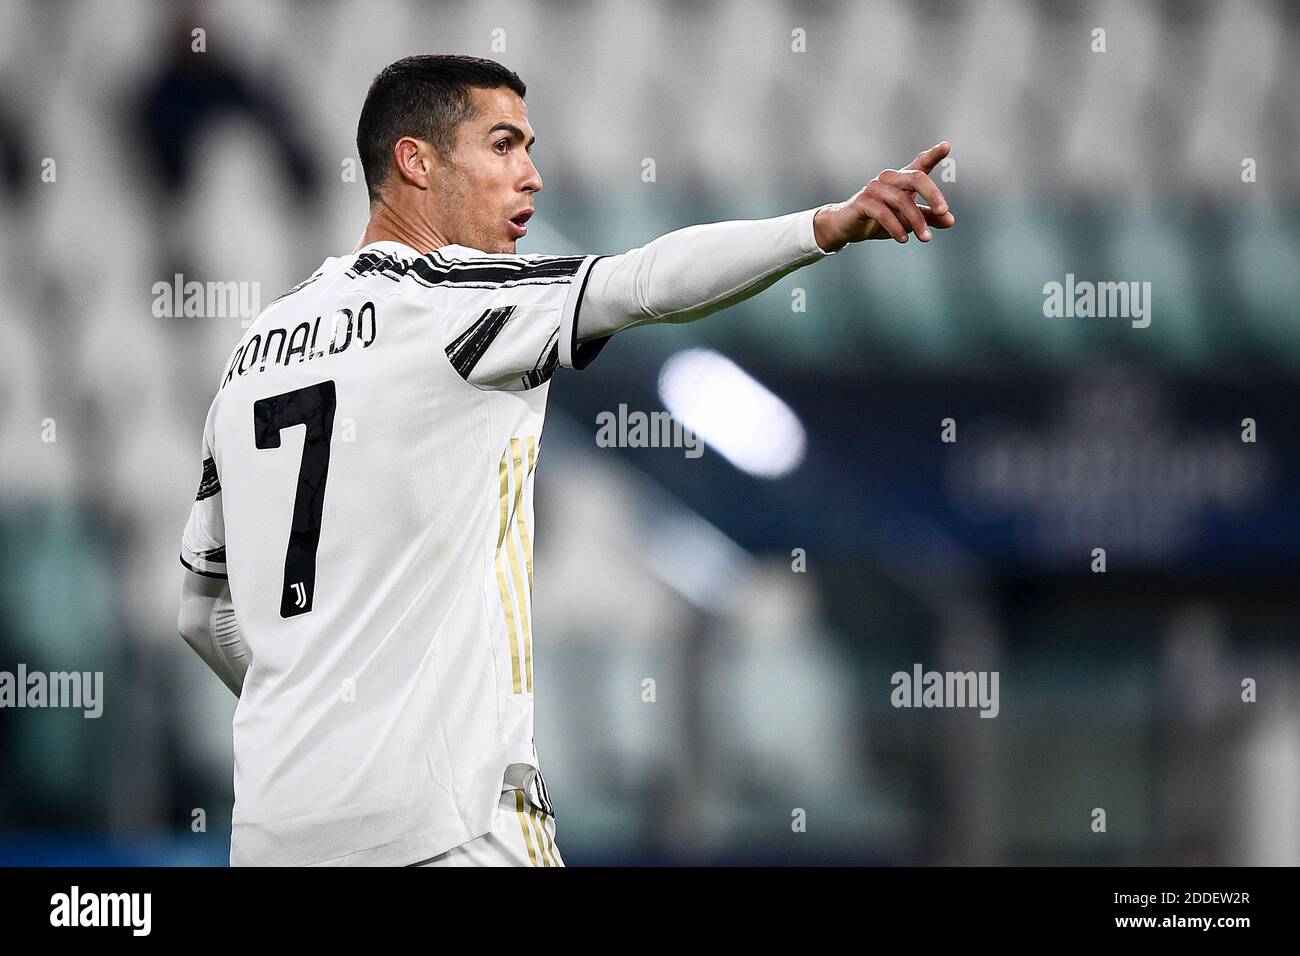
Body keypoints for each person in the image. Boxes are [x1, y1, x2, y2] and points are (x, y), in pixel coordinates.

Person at [176, 53, 954, 867]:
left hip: (275, 831)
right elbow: (642, 282)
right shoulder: (455, 299)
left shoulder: (253, 354)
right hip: (447, 826)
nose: (532, 176)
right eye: (504, 145)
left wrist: (321, 723)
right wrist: (820, 228)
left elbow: (201, 612)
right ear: (416, 160)